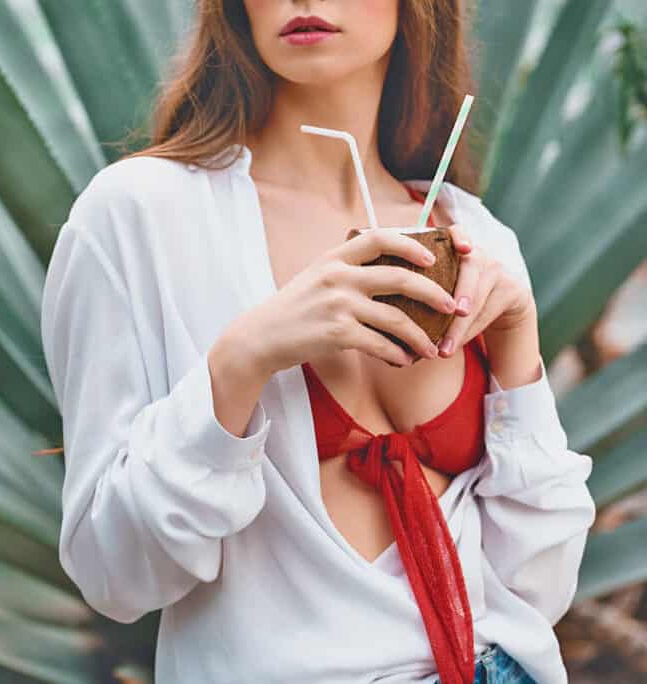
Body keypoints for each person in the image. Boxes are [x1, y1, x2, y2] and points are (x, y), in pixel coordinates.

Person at [39, 1, 596, 682]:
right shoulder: (140, 214)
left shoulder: (472, 233)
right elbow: (113, 575)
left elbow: (537, 587)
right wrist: (243, 360)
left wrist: (518, 355)